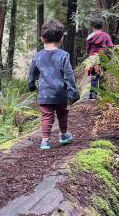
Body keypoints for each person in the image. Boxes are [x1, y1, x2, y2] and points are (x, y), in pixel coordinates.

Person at [28, 20, 80, 150]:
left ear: (42, 38)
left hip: (44, 93)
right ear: (61, 39)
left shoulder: (38, 56)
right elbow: (69, 75)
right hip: (60, 93)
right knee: (62, 113)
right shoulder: (63, 55)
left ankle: (45, 141)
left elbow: (31, 73)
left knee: (46, 116)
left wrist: (31, 86)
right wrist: (73, 93)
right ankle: (63, 135)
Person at [85, 18, 116, 99]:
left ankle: (92, 95)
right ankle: (103, 95)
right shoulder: (106, 35)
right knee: (102, 76)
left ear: (92, 27)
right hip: (103, 57)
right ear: (103, 26)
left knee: (94, 76)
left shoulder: (89, 37)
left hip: (93, 58)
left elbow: (87, 48)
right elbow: (110, 46)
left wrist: (89, 57)